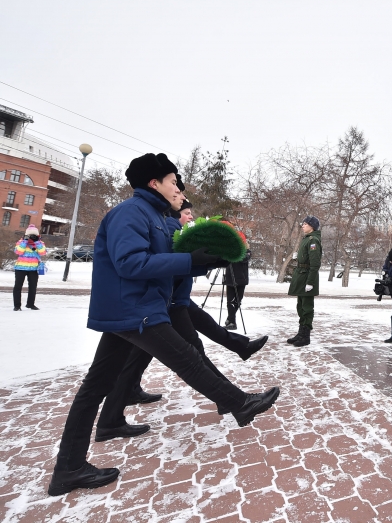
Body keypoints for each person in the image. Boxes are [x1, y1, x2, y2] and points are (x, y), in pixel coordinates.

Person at [48, 153, 279, 496]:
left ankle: (69, 468)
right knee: (186, 357)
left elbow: (161, 258)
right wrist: (188, 259)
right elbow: (129, 263)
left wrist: (203, 259)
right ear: (154, 183)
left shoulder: (153, 215)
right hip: (134, 308)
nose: (179, 189)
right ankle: (239, 403)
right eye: (173, 182)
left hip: (134, 308)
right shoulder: (130, 212)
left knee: (95, 387)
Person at [286, 216, 322, 347]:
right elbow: (307, 258)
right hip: (302, 275)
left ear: (312, 226)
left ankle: (306, 336)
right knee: (300, 306)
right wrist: (299, 257)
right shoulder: (307, 239)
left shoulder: (313, 241)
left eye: (305, 224)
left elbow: (314, 263)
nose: (303, 226)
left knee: (307, 307)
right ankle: (301, 333)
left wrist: (310, 282)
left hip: (307, 277)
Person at [13, 224, 46, 311]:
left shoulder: (40, 243)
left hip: (34, 269)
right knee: (17, 287)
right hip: (20, 268)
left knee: (33, 287)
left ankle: (30, 304)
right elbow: (18, 252)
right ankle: (17, 306)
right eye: (30, 235)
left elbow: (43, 252)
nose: (32, 237)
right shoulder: (21, 242)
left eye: (34, 235)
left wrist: (37, 242)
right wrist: (25, 241)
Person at [224, 244, 251, 330]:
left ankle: (230, 318)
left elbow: (244, 259)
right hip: (230, 279)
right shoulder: (228, 250)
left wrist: (235, 252)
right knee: (230, 301)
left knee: (238, 301)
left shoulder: (247, 252)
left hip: (241, 280)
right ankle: (232, 322)